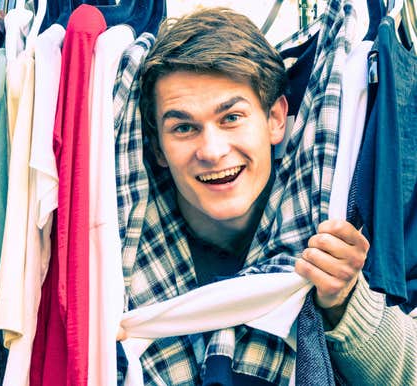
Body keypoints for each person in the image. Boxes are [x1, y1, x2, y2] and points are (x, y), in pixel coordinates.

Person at [123, 6, 416, 385]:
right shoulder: (122, 261)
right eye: (183, 127)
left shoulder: (336, 218)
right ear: (158, 148)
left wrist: (346, 302)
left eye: (231, 118)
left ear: (276, 119)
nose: (211, 150)